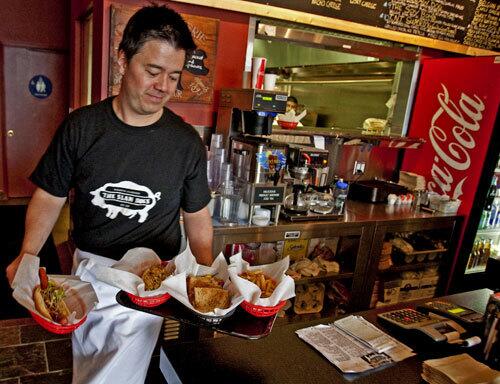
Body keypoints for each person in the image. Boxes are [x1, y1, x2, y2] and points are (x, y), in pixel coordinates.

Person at [6, 5, 213, 384]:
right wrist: (28, 254)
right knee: (89, 364)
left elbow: (197, 216)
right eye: (152, 71)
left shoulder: (186, 142)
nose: (163, 86)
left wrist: (205, 274)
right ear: (122, 61)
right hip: (90, 273)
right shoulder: (82, 127)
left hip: (150, 282)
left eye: (173, 76)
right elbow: (49, 196)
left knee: (119, 374)